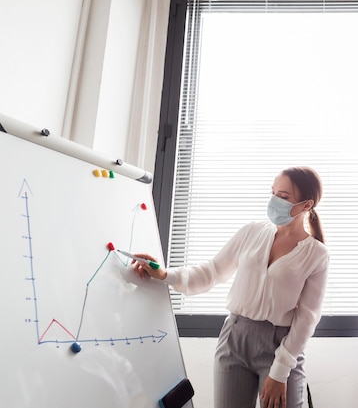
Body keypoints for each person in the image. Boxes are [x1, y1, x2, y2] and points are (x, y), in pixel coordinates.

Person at [132, 166, 329, 408]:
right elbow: (212, 272)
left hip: (281, 345)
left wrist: (280, 371)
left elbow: (307, 317)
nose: (274, 200)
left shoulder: (316, 254)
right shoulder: (252, 232)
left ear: (307, 205)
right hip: (235, 337)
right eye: (273, 192)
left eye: (284, 197)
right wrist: (164, 274)